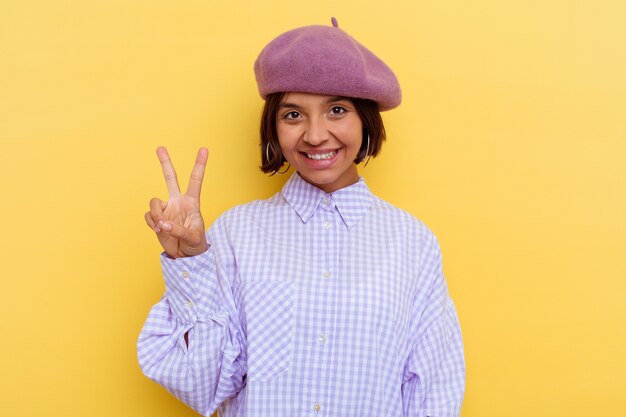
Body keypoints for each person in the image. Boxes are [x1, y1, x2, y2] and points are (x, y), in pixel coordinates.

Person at [138, 18, 465, 417]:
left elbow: (434, 389)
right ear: (274, 127)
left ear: (366, 119)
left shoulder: (412, 243)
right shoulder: (237, 233)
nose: (314, 134)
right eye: (293, 115)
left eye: (337, 110)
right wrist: (191, 262)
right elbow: (201, 386)